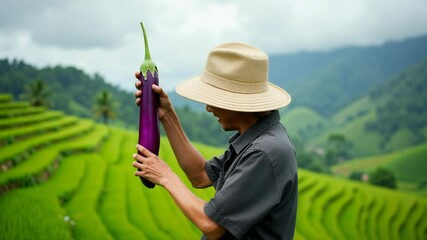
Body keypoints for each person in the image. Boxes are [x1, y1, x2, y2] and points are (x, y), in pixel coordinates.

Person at [132, 42, 298, 239]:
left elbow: (211, 225)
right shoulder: (256, 139)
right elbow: (200, 175)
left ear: (236, 101)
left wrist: (166, 176)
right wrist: (167, 115)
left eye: (214, 99)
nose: (208, 108)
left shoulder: (264, 152)